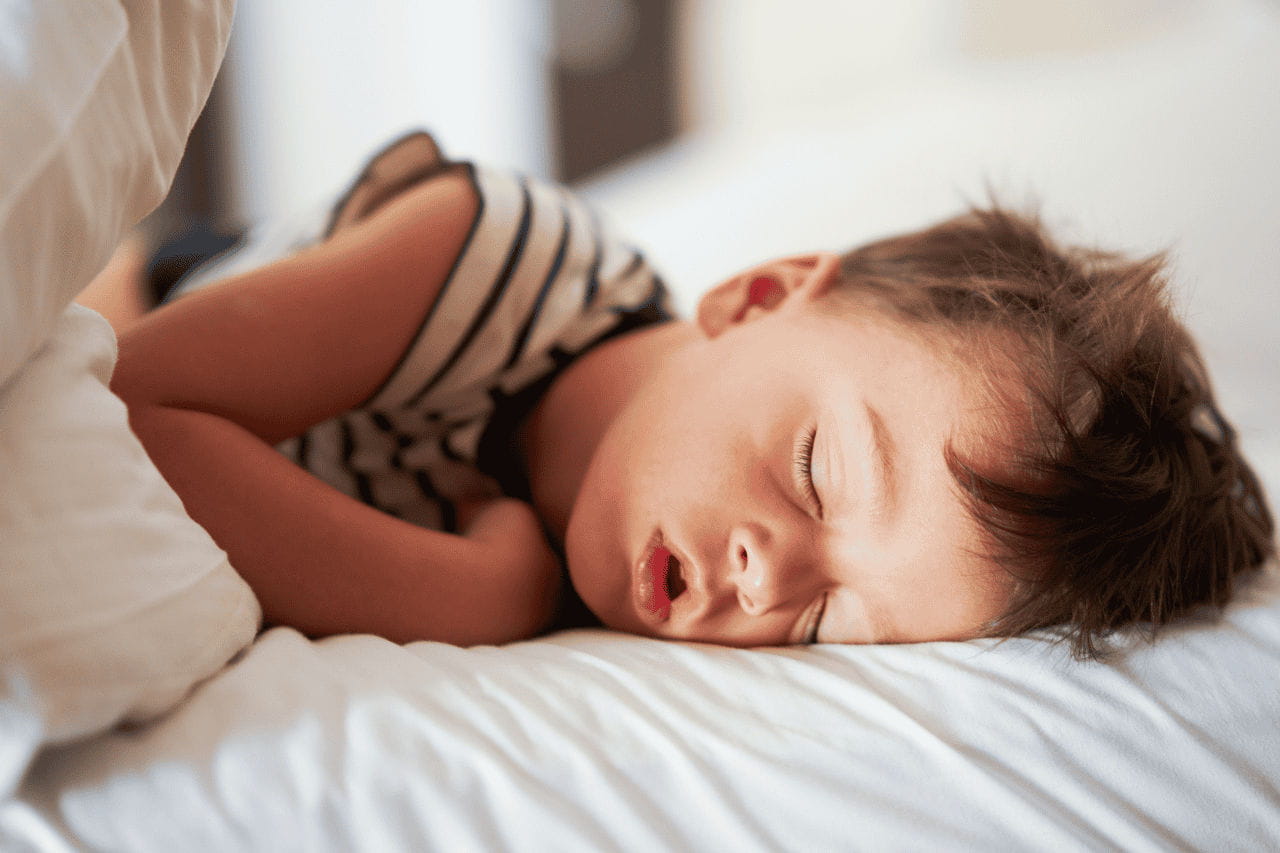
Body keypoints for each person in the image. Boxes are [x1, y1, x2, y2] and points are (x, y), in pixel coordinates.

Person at [94, 132, 1274, 657]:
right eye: (816, 472)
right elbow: (128, 407)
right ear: (755, 296)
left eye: (827, 624)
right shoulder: (490, 259)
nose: (768, 582)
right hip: (182, 279)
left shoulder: (631, 580)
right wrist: (472, 596)